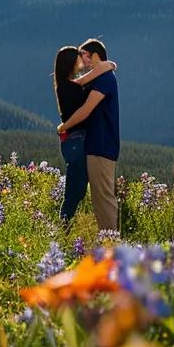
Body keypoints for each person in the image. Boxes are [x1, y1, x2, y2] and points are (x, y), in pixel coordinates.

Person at [57, 39, 119, 232]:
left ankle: (109, 242)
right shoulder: (100, 78)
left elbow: (85, 110)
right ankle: (108, 240)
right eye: (80, 57)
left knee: (101, 197)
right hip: (94, 144)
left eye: (85, 55)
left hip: (100, 145)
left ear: (95, 56)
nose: (84, 62)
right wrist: (108, 66)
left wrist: (63, 127)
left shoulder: (105, 79)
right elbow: (82, 83)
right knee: (93, 196)